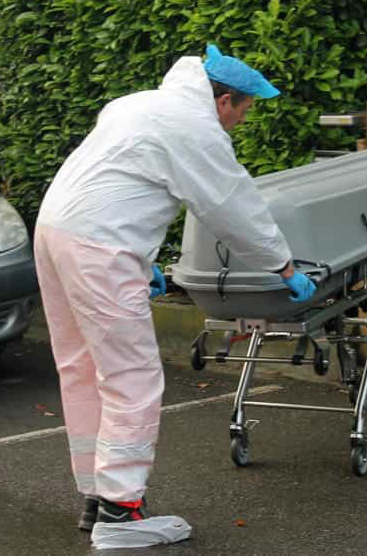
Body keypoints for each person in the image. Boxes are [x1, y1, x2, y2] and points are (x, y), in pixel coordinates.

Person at [33, 44, 316, 549]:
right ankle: (122, 511)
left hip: (55, 233)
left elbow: (116, 183)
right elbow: (233, 208)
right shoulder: (195, 127)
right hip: (100, 247)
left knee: (81, 366)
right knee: (132, 377)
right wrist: (283, 265)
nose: (242, 121)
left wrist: (143, 263)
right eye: (244, 110)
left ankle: (96, 495)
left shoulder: (137, 103)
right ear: (223, 100)